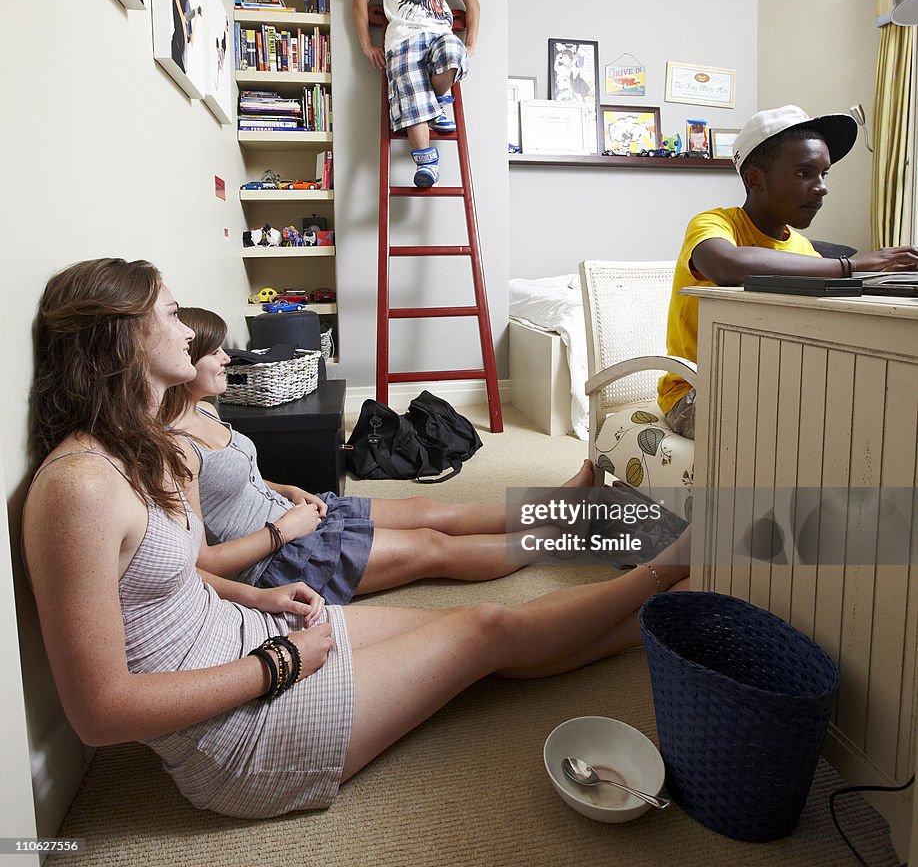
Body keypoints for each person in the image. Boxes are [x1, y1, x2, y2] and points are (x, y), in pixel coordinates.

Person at [23, 257, 689, 819]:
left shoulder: (142, 448)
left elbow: (174, 572)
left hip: (251, 635)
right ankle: (664, 571)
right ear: (122, 338)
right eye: (169, 315)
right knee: (482, 630)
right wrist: (280, 664)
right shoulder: (78, 486)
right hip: (236, 737)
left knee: (476, 618)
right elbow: (100, 713)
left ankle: (650, 621)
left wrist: (258, 602)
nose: (192, 331)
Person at [161, 307, 595, 601]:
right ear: (185, 362)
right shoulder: (174, 450)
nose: (227, 359)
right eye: (214, 352)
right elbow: (204, 563)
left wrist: (289, 489)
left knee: (429, 508)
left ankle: (554, 504)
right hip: (278, 559)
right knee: (430, 547)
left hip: (295, 514)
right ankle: (553, 538)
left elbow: (245, 480)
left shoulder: (206, 408)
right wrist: (285, 532)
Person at [658, 105, 918, 439]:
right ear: (755, 179)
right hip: (697, 391)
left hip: (773, 384)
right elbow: (726, 265)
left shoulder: (802, 249)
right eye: (803, 173)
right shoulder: (715, 223)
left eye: (824, 174)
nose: (821, 187)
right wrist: (851, 266)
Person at [352, 0, 479, 188]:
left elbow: (472, 1)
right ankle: (427, 163)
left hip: (438, 34)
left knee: (453, 51)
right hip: (402, 39)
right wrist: (367, 45)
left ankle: (437, 99)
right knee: (410, 90)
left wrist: (471, 45)